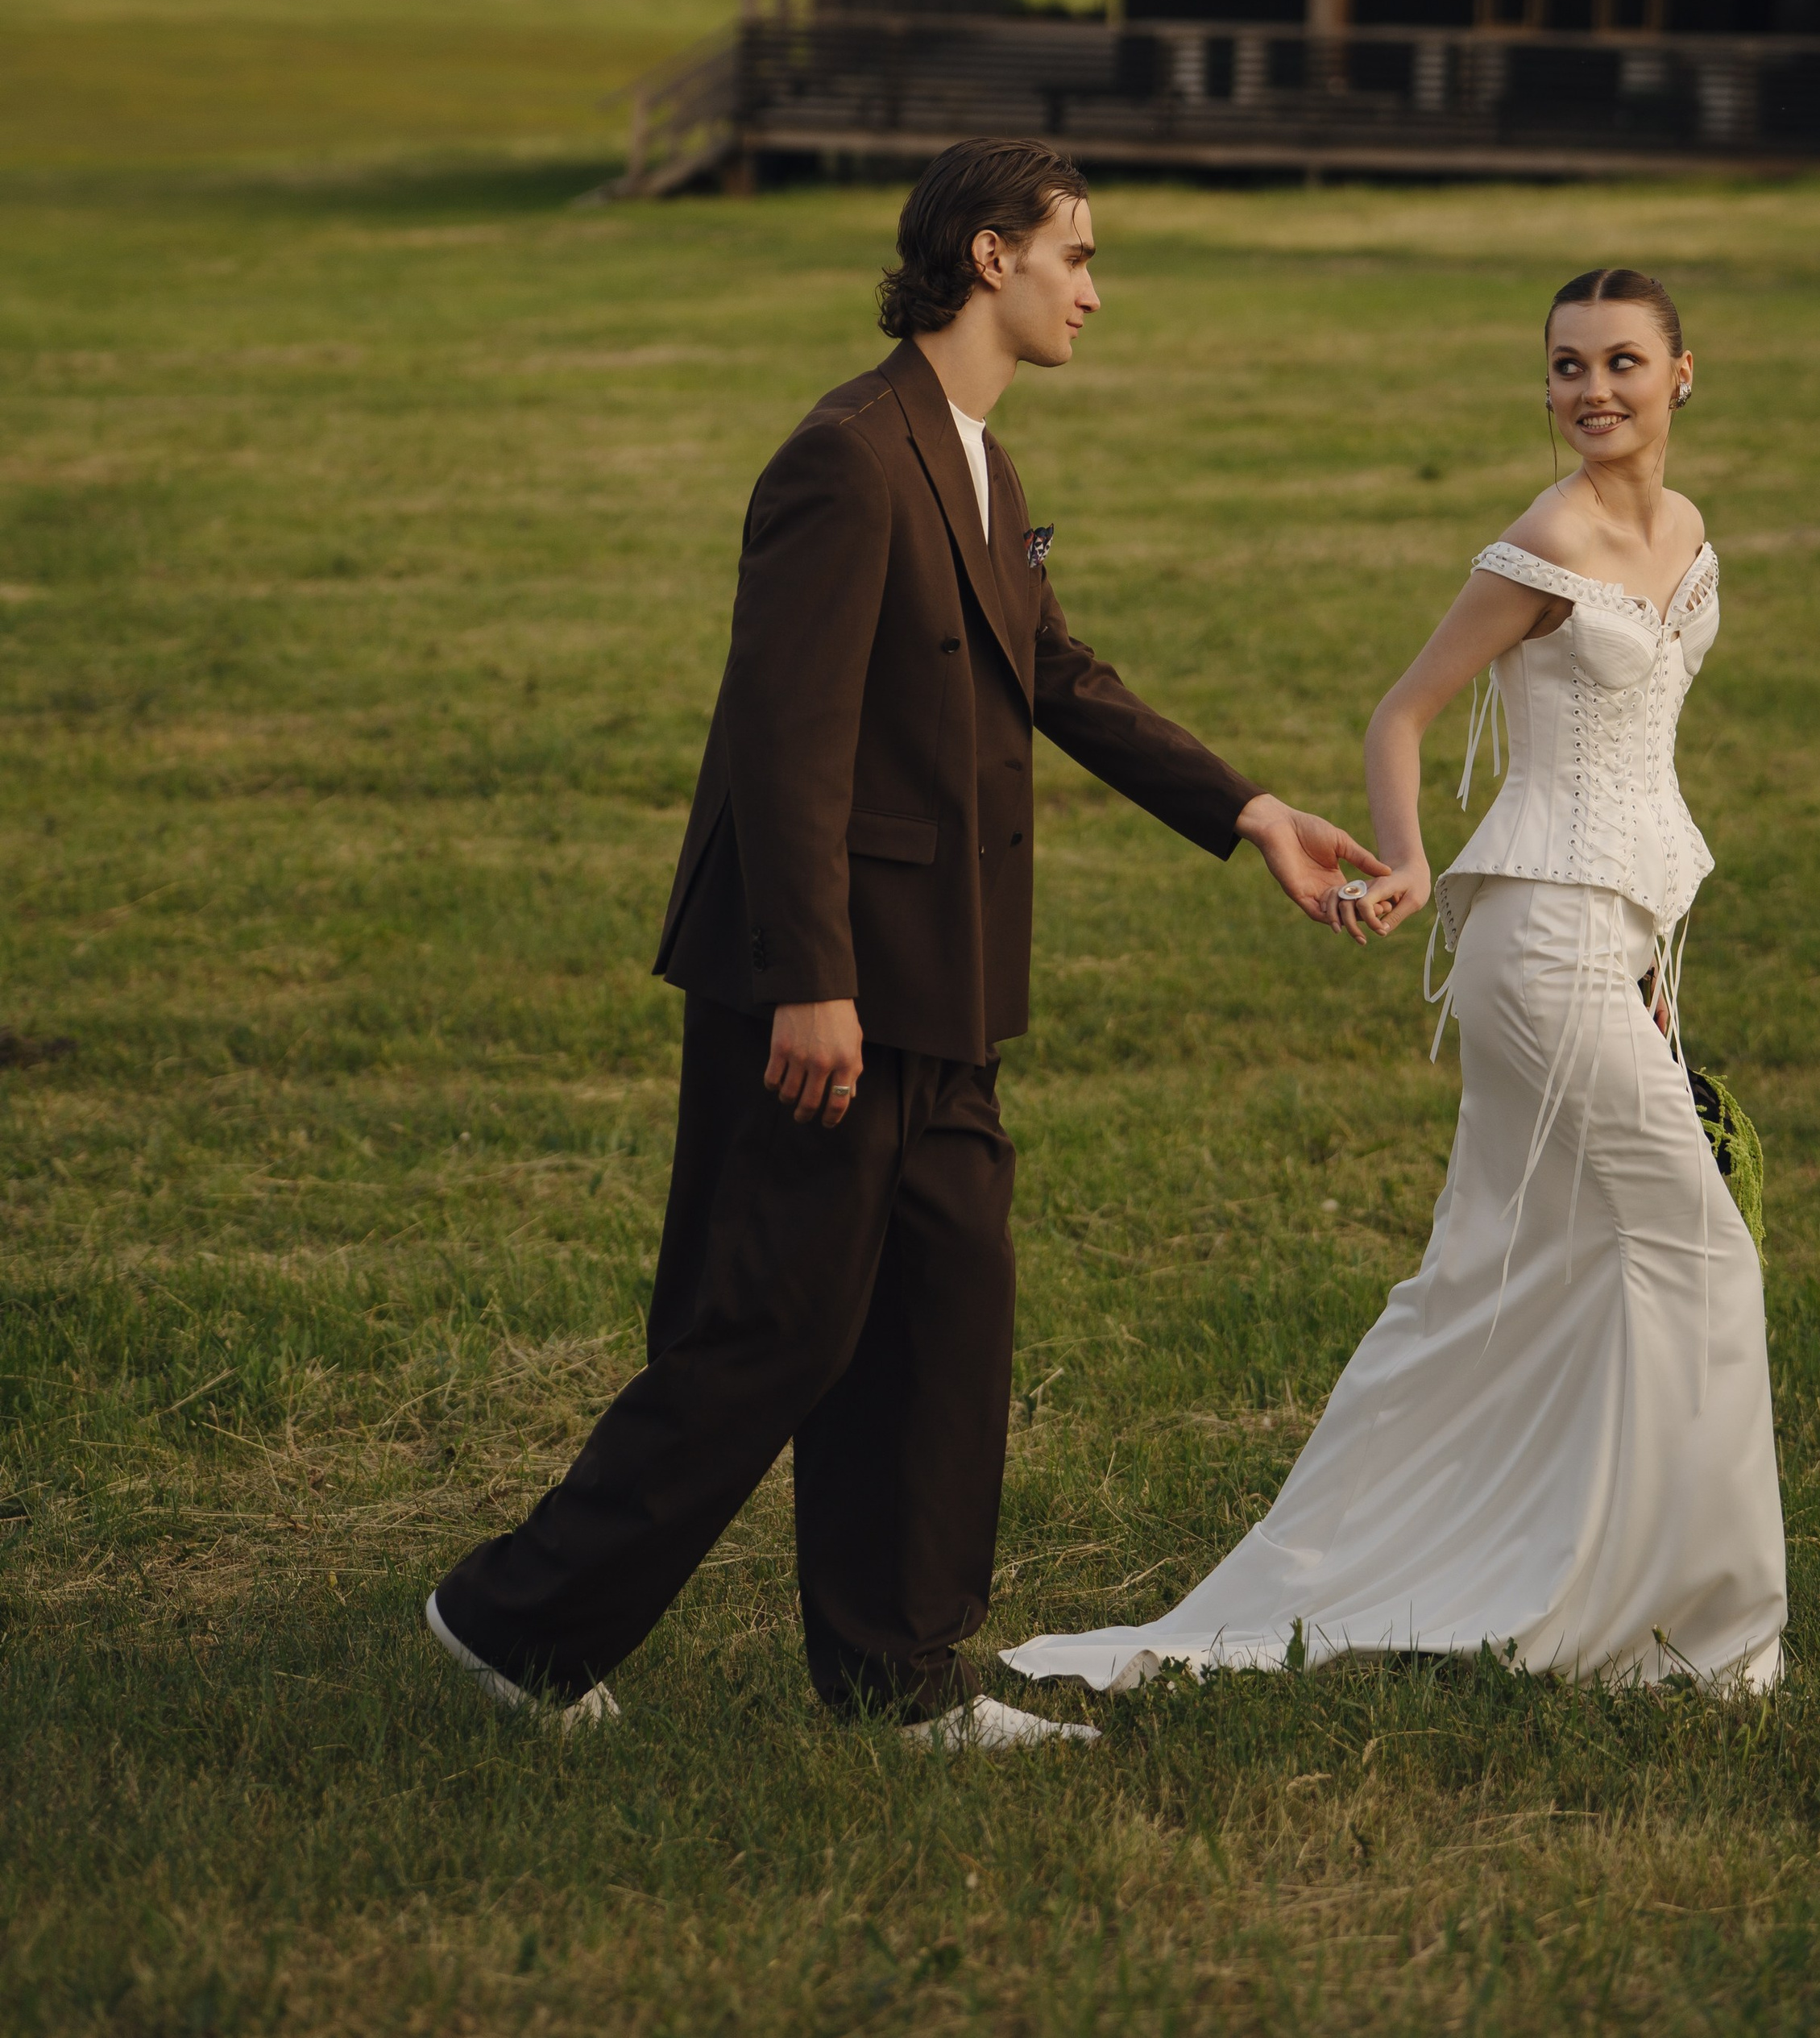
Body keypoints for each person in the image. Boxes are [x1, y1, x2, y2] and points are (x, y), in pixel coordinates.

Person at [425, 137, 1383, 1745]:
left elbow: (1059, 679)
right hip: (830, 992)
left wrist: (1248, 814)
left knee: (942, 1330)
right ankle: (511, 1623)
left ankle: (898, 1679)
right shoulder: (845, 459)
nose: (1094, 288)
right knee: (771, 1333)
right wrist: (812, 979)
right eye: (1075, 254)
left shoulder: (984, 465)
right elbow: (780, 742)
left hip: (943, 987)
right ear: (988, 258)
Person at [1007, 265, 1787, 1700]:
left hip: (1611, 941)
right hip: (1533, 943)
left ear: (1684, 374)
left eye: (1621, 362)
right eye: (1566, 369)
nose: (1592, 391)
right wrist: (1413, 861)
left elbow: (1646, 761)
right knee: (1699, 1250)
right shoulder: (1542, 542)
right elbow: (1405, 710)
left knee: (1509, 1272)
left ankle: (1463, 1556)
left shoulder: (1684, 534)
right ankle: (1701, 1631)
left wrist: (1650, 963)